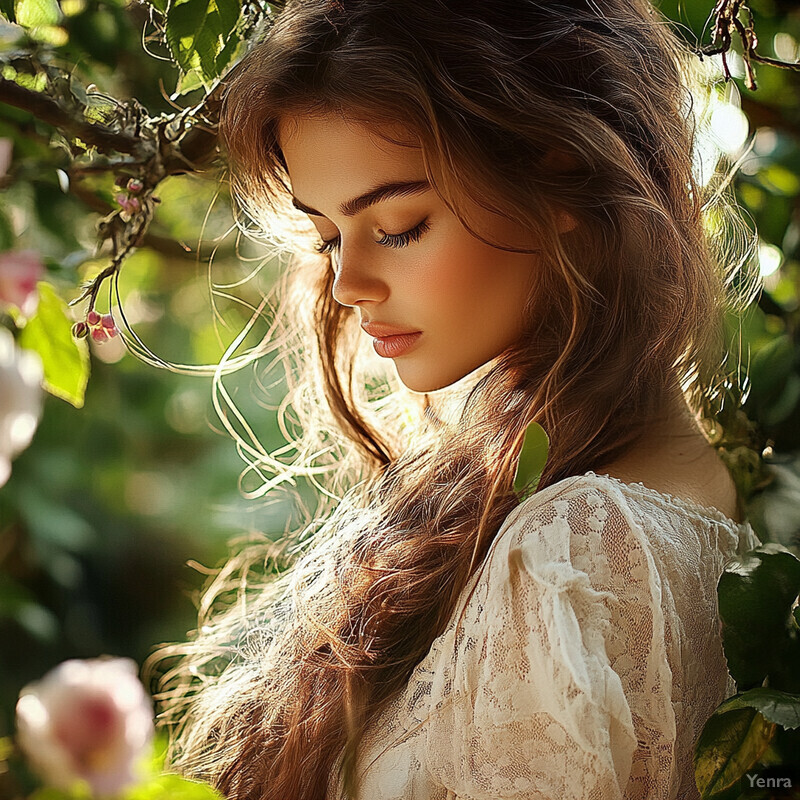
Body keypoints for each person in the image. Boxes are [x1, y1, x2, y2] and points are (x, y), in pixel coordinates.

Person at [146, 0, 764, 798]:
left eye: (399, 225)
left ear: (564, 175)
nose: (347, 284)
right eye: (329, 235)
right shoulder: (698, 498)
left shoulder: (573, 549)